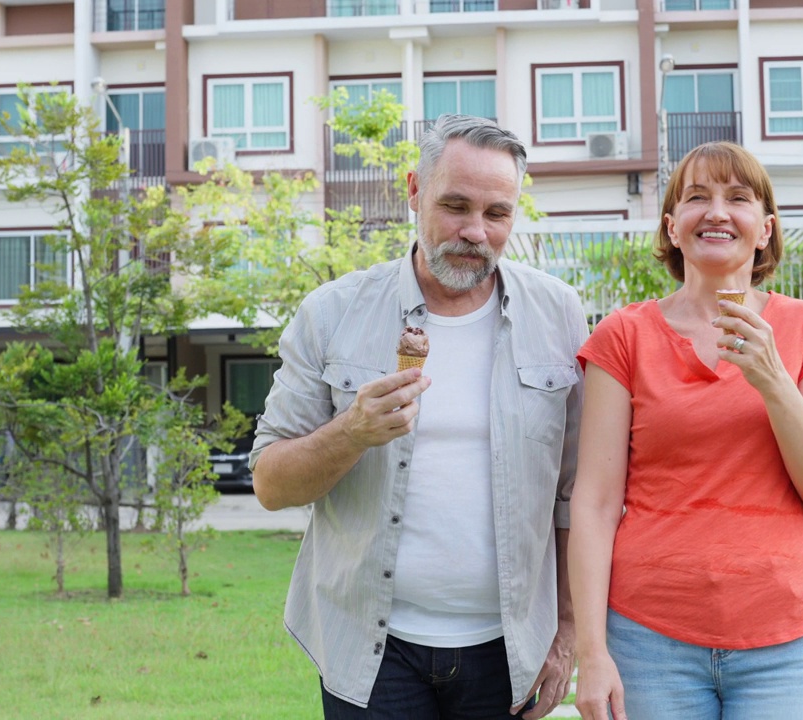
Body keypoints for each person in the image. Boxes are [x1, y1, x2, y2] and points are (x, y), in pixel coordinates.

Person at [249, 114, 586, 720]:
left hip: (507, 650)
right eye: (455, 206)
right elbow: (271, 485)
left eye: (497, 214)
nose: (475, 232)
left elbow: (574, 493)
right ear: (413, 191)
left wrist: (566, 631)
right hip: (373, 653)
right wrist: (351, 432)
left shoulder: (558, 315)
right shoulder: (332, 314)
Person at [568, 142, 803, 720]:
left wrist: (772, 378)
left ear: (765, 229)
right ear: (673, 228)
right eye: (697, 197)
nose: (718, 212)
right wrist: (591, 652)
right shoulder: (623, 336)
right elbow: (595, 504)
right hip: (648, 641)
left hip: (787, 644)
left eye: (738, 198)